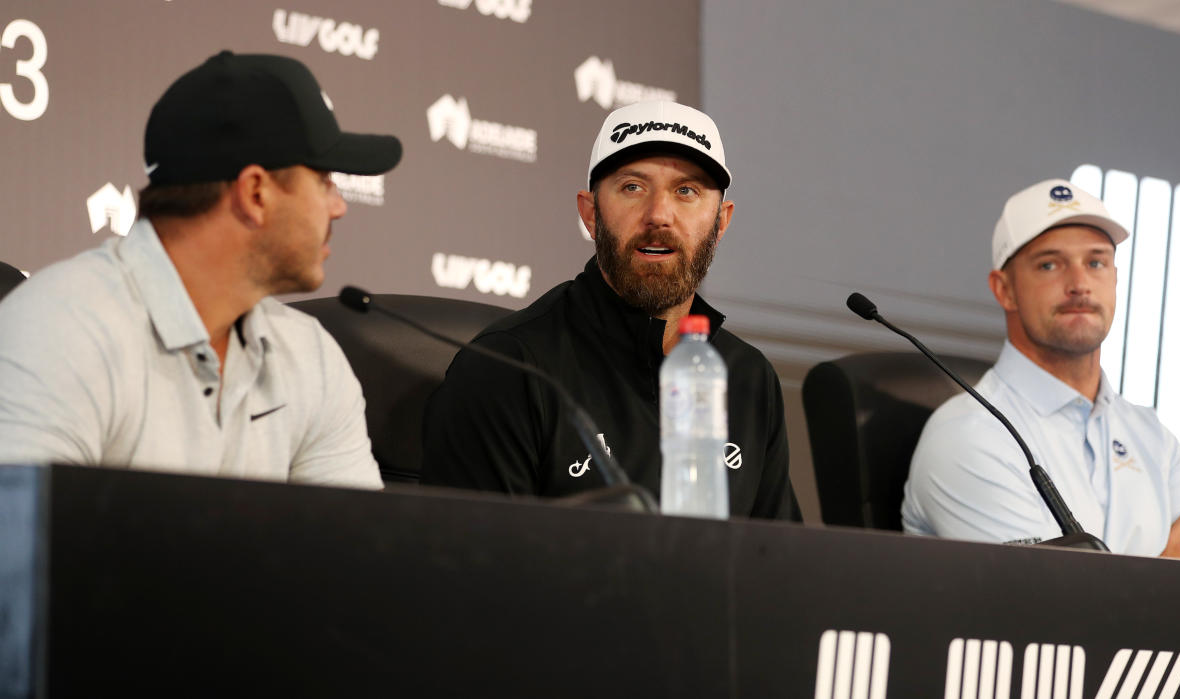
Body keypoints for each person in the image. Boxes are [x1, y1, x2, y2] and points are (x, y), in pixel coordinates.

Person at [0, 51, 403, 489]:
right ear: (255, 193)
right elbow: (21, 548)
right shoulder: (60, 329)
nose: (339, 206)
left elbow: (352, 552)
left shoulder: (311, 358)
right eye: (324, 182)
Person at [422, 101, 800, 520]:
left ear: (721, 222)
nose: (659, 215)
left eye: (686, 191)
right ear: (590, 214)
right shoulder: (510, 367)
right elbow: (471, 571)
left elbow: (780, 568)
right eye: (633, 187)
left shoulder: (747, 375)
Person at [902, 179, 1180, 560]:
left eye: (1096, 262)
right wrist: (1173, 575)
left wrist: (1177, 580)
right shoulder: (970, 436)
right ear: (1004, 289)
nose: (1079, 284)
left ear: (1115, 278)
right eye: (1049, 265)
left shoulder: (1155, 438)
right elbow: (1044, 611)